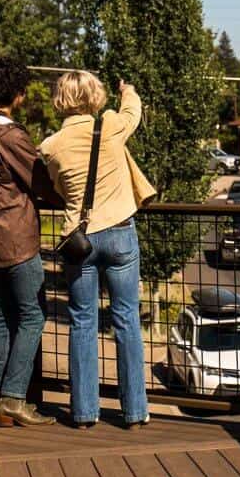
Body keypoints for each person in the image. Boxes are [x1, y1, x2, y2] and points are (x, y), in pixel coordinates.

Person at [40, 71, 156, 429]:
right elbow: (133, 113)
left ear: (61, 99)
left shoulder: (51, 145)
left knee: (82, 322)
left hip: (80, 240)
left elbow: (59, 189)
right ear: (94, 96)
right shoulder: (110, 126)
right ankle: (135, 411)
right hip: (120, 231)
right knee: (126, 320)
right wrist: (129, 90)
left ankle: (84, 412)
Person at [0, 56, 62, 427]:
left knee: (4, 316)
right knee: (34, 316)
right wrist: (63, 199)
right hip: (17, 237)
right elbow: (38, 182)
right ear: (17, 95)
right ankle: (15, 398)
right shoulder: (12, 137)